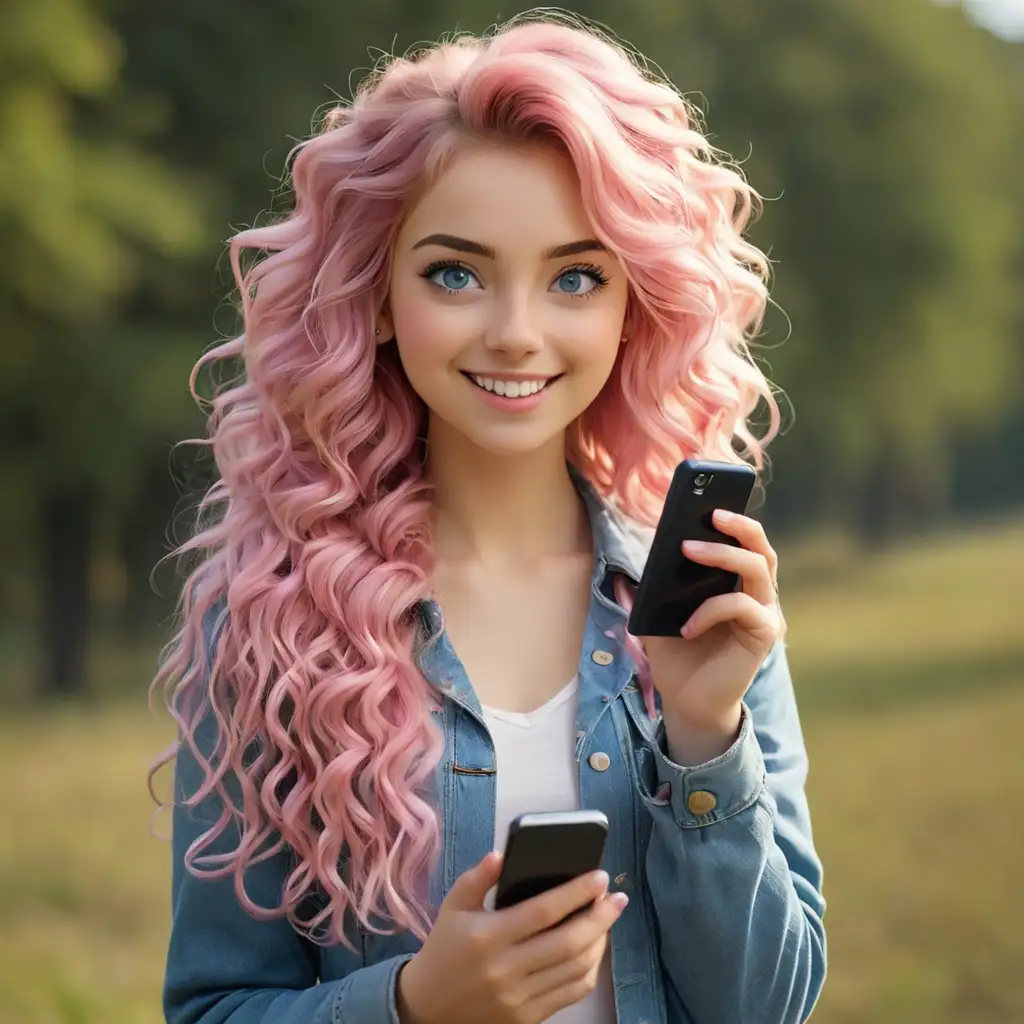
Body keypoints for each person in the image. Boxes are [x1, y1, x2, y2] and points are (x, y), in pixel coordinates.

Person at [150, 12, 826, 1024]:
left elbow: (766, 1006)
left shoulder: (703, 603)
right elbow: (211, 1006)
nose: (516, 333)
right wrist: (416, 1004)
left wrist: (702, 735)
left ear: (629, 304)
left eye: (575, 277)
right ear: (376, 294)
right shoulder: (269, 622)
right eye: (455, 273)